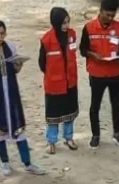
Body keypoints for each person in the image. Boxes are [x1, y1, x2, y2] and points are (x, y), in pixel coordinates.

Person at [0, 20, 45, 176]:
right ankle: (5, 162)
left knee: (17, 126)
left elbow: (14, 70)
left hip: (11, 90)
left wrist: (19, 65)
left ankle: (27, 163)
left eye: (2, 33)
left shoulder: (10, 47)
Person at [82, 0, 119, 149]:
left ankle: (117, 133)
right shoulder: (89, 27)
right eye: (108, 15)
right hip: (97, 74)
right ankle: (95, 135)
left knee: (116, 105)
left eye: (113, 15)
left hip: (114, 73)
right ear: (101, 11)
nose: (110, 18)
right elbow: (83, 49)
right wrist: (92, 54)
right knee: (95, 106)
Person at [39, 8, 80, 153]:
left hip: (70, 82)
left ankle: (69, 137)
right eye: (63, 23)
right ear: (56, 23)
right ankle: (51, 141)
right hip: (54, 85)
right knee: (53, 115)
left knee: (69, 113)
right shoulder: (46, 39)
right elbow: (42, 63)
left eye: (68, 22)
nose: (66, 25)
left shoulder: (72, 35)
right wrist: (53, 74)